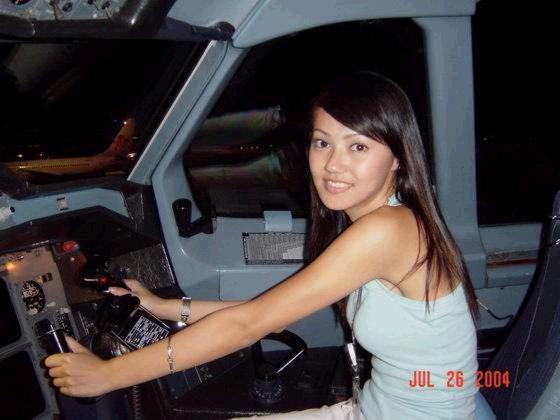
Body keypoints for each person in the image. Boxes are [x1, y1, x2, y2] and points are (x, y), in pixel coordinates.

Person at [45, 72, 495, 419]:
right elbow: (268, 310)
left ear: (397, 157)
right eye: (322, 143)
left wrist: (108, 375)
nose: (333, 165)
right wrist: (164, 307)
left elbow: (249, 323)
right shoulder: (383, 222)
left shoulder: (387, 231)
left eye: (358, 147)